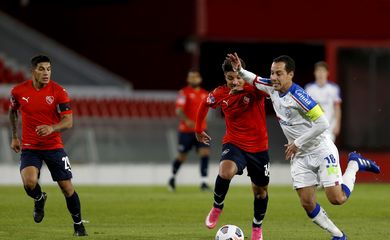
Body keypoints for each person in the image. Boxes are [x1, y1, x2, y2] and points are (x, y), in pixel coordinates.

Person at [227, 53, 380, 240]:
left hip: (320, 148)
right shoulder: (271, 87)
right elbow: (254, 79)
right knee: (307, 202)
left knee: (336, 198)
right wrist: (240, 70)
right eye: (272, 73)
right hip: (299, 155)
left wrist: (297, 143)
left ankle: (354, 164)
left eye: (279, 73)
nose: (274, 77)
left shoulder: (299, 95)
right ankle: (338, 235)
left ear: (290, 74)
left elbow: (323, 123)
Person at [9, 55, 87, 236]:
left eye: (49, 69)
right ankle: (39, 198)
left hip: (53, 147)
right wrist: (14, 136)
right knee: (29, 182)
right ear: (33, 71)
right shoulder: (18, 91)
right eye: (42, 69)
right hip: (30, 147)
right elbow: (13, 112)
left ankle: (78, 225)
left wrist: (52, 128)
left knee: (66, 188)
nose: (46, 73)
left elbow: (68, 122)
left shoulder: (59, 92)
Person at [196, 58, 270, 240]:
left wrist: (244, 87)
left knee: (260, 192)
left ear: (243, 75)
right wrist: (198, 129)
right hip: (234, 143)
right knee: (225, 172)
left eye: (238, 77)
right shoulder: (220, 93)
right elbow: (204, 104)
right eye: (230, 78)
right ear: (225, 77)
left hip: (259, 148)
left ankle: (257, 228)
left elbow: (271, 88)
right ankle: (217, 206)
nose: (235, 81)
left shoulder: (255, 89)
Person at [168, 70, 210, 191]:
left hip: (202, 130)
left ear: (200, 79)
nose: (193, 79)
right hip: (186, 130)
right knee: (182, 156)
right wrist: (186, 120)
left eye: (195, 77)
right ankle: (172, 178)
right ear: (188, 80)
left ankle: (204, 182)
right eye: (191, 77)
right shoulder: (183, 93)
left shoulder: (204, 93)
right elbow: (179, 110)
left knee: (205, 152)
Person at [305, 61, 342, 142]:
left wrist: (337, 125)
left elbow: (337, 108)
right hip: (313, 127)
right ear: (314, 73)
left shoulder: (334, 88)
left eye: (323, 71)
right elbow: (305, 109)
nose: (321, 73)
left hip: (329, 126)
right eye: (318, 70)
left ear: (327, 73)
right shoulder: (309, 88)